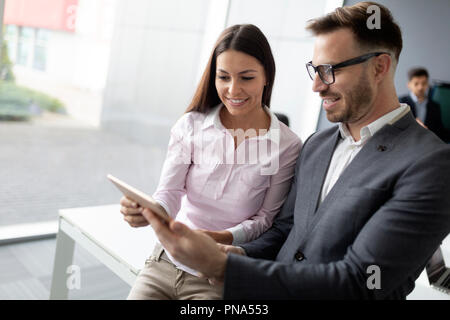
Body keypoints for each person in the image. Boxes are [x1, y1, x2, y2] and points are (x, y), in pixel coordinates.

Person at [142, 1, 450, 299]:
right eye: (314, 70)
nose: (316, 85)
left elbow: (361, 282)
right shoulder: (316, 145)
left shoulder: (431, 164)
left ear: (379, 67)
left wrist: (226, 266)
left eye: (329, 70)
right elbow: (285, 232)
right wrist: (237, 251)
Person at [120, 24, 302, 300]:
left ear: (266, 76)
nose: (233, 89)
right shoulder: (191, 125)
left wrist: (222, 237)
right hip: (166, 261)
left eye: (246, 77)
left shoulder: (287, 145)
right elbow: (170, 192)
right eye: (223, 77)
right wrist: (150, 211)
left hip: (216, 274)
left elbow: (265, 220)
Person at [399, 67, 449, 142]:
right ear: (409, 85)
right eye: (416, 84)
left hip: (428, 143)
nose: (420, 87)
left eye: (424, 83)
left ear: (428, 84)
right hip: (407, 142)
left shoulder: (434, 106)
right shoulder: (401, 102)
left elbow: (440, 131)